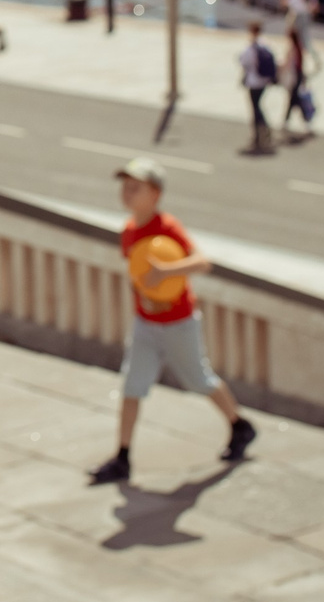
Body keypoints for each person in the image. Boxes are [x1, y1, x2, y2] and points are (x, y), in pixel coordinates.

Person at [87, 157, 252, 485]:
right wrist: (148, 294)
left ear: (155, 194)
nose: (128, 193)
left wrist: (167, 273)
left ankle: (239, 425)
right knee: (132, 386)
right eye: (125, 187)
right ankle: (122, 457)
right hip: (146, 323)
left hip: (179, 322)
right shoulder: (129, 232)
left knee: (199, 380)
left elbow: (202, 263)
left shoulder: (167, 227)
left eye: (136, 188)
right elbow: (139, 275)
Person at [239, 20, 277, 153]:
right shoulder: (265, 43)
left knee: (255, 108)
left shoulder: (251, 46)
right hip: (264, 81)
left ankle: (258, 134)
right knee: (258, 106)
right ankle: (264, 130)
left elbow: (244, 61)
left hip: (254, 82)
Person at [280, 15, 315, 138]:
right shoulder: (298, 48)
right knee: (295, 100)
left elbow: (288, 64)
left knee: (295, 100)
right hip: (299, 76)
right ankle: (292, 122)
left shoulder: (292, 49)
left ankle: (290, 122)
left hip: (294, 78)